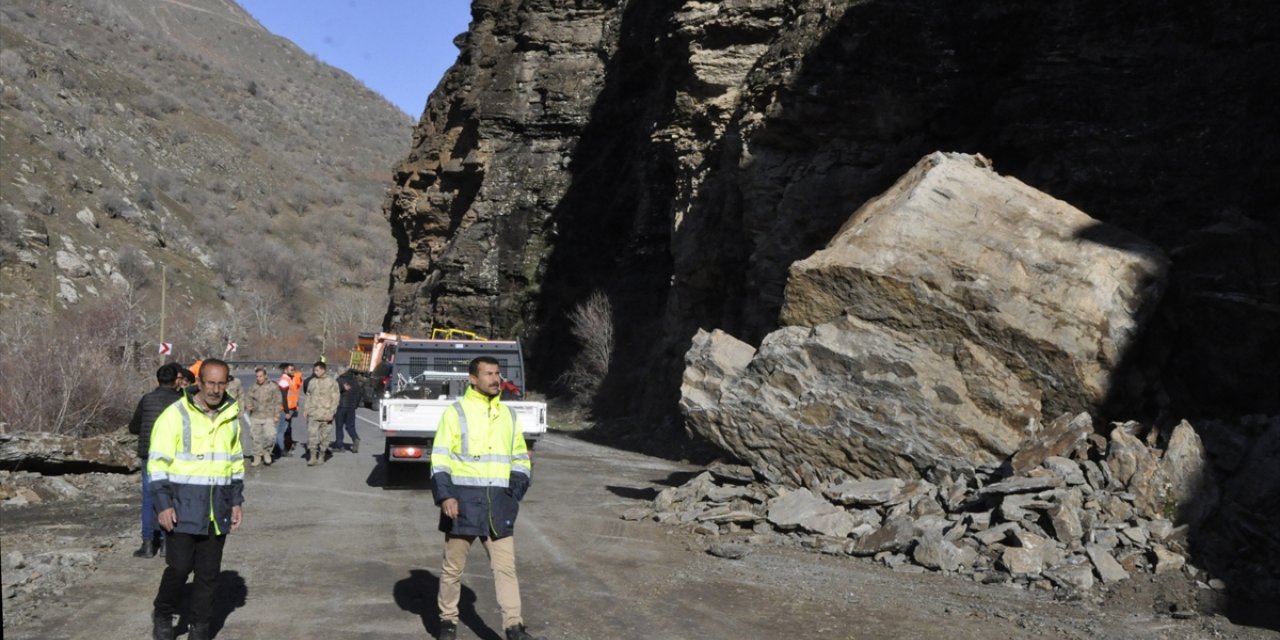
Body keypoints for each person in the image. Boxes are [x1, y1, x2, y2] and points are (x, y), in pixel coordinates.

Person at [430, 356, 543, 640]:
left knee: (506, 568)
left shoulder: (508, 415)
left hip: (498, 503)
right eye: (489, 374)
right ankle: (448, 622)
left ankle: (514, 628)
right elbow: (440, 459)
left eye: (498, 373)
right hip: (462, 503)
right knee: (452, 568)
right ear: (473, 379)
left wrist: (515, 491)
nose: (496, 379)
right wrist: (446, 496)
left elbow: (520, 456)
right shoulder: (455, 413)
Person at [147, 358, 244, 640]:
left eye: (221, 383)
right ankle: (163, 611)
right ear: (198, 383)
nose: (215, 389)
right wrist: (163, 505)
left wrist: (236, 501)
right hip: (181, 508)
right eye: (210, 383)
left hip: (217, 509)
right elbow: (157, 465)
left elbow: (235, 463)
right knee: (178, 568)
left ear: (227, 383)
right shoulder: (175, 415)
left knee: (208, 575)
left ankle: (199, 626)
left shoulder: (230, 417)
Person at [126, 362, 182, 558]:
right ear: (177, 380)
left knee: (149, 497)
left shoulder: (147, 399)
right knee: (171, 497)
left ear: (157, 380)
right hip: (174, 455)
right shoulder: (181, 401)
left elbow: (133, 426)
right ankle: (168, 543)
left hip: (149, 454)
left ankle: (148, 543)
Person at [303, 361, 339, 466]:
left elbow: (335, 399)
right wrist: (306, 409)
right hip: (313, 414)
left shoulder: (332, 382)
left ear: (323, 370)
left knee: (325, 438)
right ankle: (313, 457)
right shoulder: (312, 382)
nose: (315, 372)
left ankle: (322, 455)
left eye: (317, 370)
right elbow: (308, 396)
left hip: (326, 415)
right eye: (314, 370)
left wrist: (332, 413)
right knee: (312, 436)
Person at [245, 367, 280, 466]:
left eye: (261, 376)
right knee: (255, 437)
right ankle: (257, 455)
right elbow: (248, 398)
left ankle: (266, 452)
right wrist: (249, 404)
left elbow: (278, 402)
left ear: (265, 376)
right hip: (256, 415)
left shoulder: (273, 387)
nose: (259, 378)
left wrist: (277, 415)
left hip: (268, 415)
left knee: (270, 435)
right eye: (257, 376)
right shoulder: (253, 387)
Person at [274, 363, 301, 456]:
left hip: (290, 409)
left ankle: (281, 446)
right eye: (291, 369)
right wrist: (286, 412)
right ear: (285, 370)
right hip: (285, 410)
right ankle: (281, 449)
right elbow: (283, 398)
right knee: (281, 430)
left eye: (294, 369)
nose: (294, 371)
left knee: (286, 428)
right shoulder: (284, 381)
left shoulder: (289, 379)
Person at [334, 370, 361, 453]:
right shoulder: (355, 381)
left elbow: (334, 393)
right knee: (350, 426)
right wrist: (355, 404)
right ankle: (355, 438)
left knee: (339, 426)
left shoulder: (339, 380)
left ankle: (340, 446)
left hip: (341, 406)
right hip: (351, 406)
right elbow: (359, 394)